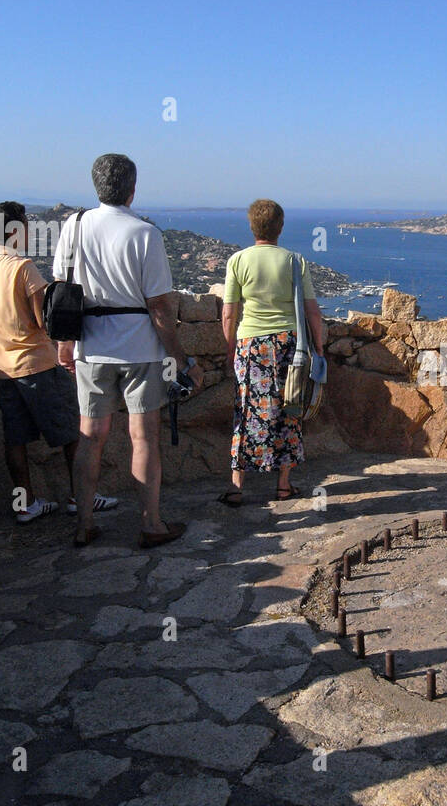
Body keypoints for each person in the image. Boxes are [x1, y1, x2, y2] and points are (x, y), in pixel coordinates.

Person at [52, 153, 202, 548]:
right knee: (144, 438)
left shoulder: (74, 225)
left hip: (89, 345)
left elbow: (63, 287)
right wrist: (181, 358)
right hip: (139, 347)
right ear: (133, 189)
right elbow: (159, 308)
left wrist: (64, 343)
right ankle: (151, 523)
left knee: (90, 437)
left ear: (96, 186)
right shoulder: (145, 233)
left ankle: (83, 525)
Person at [0, 201, 118, 523]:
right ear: (17, 230)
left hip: (2, 369)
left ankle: (25, 505)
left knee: (16, 441)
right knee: (72, 433)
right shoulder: (22, 268)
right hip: (37, 364)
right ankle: (80, 497)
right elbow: (43, 321)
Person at [218, 199, 324, 506]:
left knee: (245, 412)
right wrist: (318, 348)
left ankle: (237, 487)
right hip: (289, 346)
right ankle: (283, 486)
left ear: (252, 227)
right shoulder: (294, 261)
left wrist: (229, 350)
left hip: (250, 346)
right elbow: (312, 312)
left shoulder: (237, 260)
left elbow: (229, 314)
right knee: (289, 411)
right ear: (280, 227)